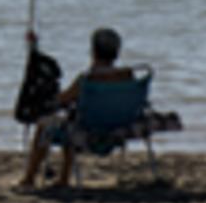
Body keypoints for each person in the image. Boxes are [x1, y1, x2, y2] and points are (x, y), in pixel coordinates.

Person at [19, 27, 135, 189]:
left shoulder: (88, 79)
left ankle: (31, 178)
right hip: (120, 128)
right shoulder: (127, 76)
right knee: (71, 121)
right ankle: (63, 178)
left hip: (88, 130)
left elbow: (61, 100)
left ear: (93, 51)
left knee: (46, 126)